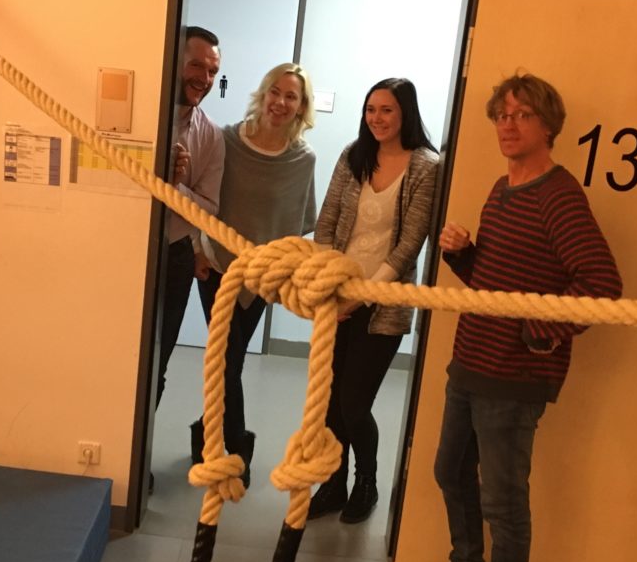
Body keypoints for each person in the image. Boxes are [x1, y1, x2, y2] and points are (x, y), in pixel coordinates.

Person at [401, 72, 622, 562]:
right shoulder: (502, 189)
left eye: (522, 115)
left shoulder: (559, 195)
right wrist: (463, 257)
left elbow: (601, 284)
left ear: (548, 126)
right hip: (470, 362)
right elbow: (493, 282)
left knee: (502, 503)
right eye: (502, 114)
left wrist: (537, 331)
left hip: (514, 376)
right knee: (451, 472)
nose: (508, 124)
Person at [307, 78, 440, 524]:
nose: (376, 119)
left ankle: (367, 482)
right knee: (328, 402)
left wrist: (360, 299)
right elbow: (327, 222)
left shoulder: (426, 167)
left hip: (382, 305)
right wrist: (330, 286)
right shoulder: (353, 155)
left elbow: (409, 245)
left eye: (386, 110)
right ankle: (333, 484)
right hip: (335, 297)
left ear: (405, 113)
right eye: (370, 110)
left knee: (354, 403)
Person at [190, 63, 318, 487]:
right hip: (217, 267)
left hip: (263, 278)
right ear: (263, 93)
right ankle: (237, 445)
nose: (280, 102)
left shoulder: (302, 159)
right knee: (226, 361)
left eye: (291, 97)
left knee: (230, 361)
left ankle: (204, 430)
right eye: (275, 92)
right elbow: (203, 202)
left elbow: (296, 223)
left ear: (301, 106)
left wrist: (284, 276)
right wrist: (197, 249)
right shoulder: (226, 141)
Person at [150, 28, 224, 495]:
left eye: (213, 71)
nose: (205, 78)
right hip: (129, 253)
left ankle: (135, 451)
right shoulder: (144, 117)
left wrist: (174, 185)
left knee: (156, 360)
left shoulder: (210, 136)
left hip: (175, 256)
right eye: (197, 65)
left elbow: (208, 210)